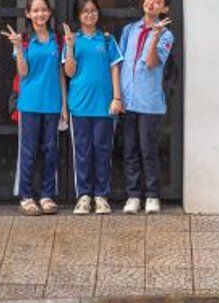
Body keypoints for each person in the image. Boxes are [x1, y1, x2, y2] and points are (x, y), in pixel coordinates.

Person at [4, 0, 65, 216]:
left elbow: (60, 73)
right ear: (28, 14)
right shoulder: (25, 39)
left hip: (52, 103)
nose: (40, 14)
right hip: (29, 104)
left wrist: (64, 105)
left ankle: (47, 196)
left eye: (44, 10)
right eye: (35, 10)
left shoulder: (57, 40)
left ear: (49, 13)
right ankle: (26, 197)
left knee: (50, 151)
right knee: (28, 151)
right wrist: (19, 47)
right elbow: (23, 72)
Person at [65, 0, 123, 215]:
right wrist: (70, 47)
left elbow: (115, 68)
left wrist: (117, 98)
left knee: (102, 150)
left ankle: (101, 195)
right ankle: (84, 196)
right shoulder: (73, 39)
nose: (89, 14)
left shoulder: (107, 40)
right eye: (85, 11)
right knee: (82, 151)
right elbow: (69, 72)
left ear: (98, 14)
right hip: (79, 105)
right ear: (79, 15)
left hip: (104, 106)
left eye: (93, 11)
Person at [117, 0, 174, 214]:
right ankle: (133, 195)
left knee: (148, 150)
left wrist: (156, 35)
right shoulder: (129, 30)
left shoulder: (166, 35)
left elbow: (151, 63)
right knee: (130, 149)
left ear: (164, 9)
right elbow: (119, 62)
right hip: (128, 100)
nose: (152, 3)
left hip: (149, 103)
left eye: (158, 1)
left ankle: (152, 195)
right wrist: (118, 96)